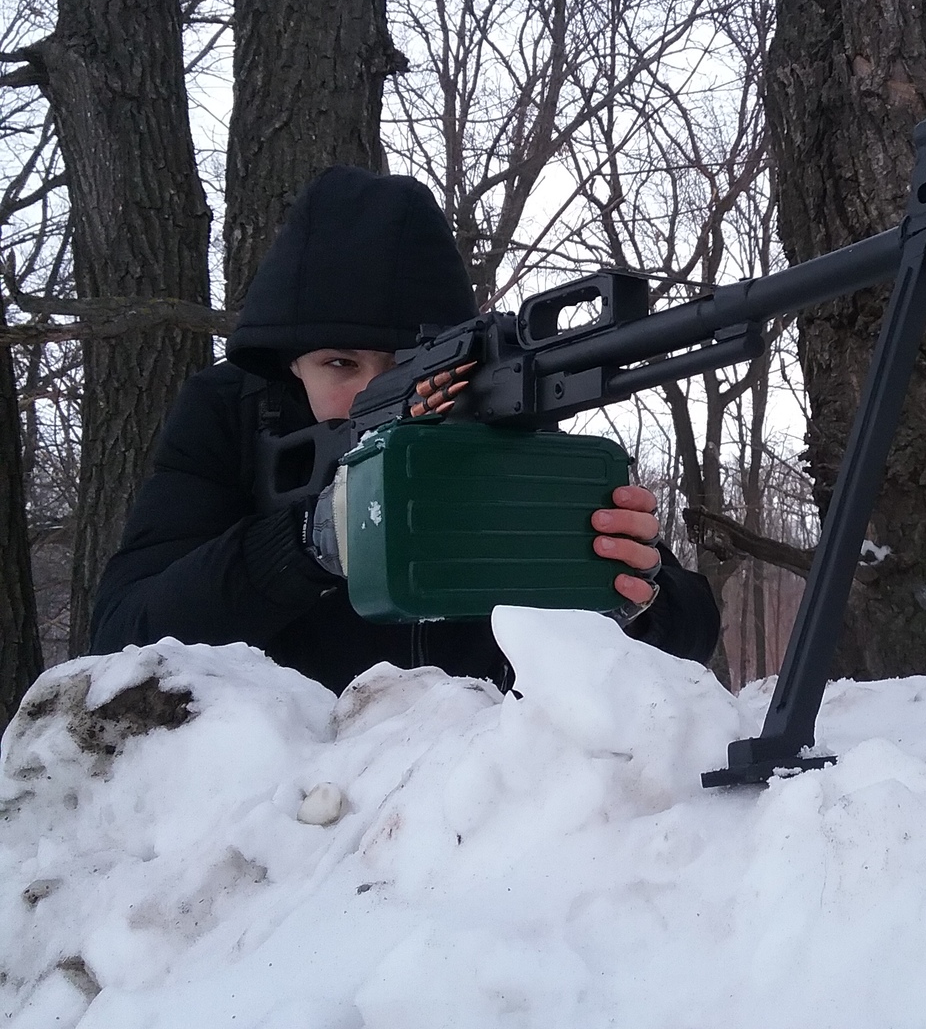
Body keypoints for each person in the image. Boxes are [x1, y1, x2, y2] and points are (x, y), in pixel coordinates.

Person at [90, 166, 720, 693]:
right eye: (340, 363)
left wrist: (636, 596)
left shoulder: (493, 422)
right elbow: (122, 638)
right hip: (283, 801)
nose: (374, 390)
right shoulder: (234, 418)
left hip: (479, 795)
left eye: (406, 369)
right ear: (291, 365)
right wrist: (310, 541)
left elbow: (690, 641)